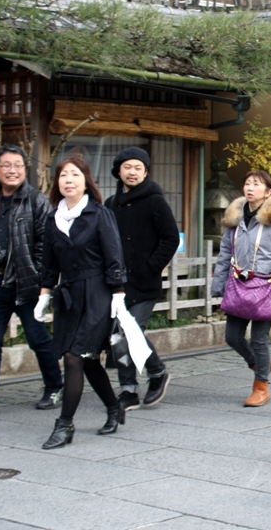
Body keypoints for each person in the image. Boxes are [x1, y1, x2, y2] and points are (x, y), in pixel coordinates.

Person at [0, 144, 63, 418]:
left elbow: (45, 244)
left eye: (17, 165)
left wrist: (41, 282)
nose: (12, 170)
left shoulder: (36, 200)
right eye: (6, 165)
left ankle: (55, 387)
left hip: (26, 285)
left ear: (24, 168)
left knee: (38, 339)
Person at [35, 157, 128, 449]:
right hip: (69, 296)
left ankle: (64, 426)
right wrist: (44, 295)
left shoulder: (99, 214)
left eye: (74, 174)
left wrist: (118, 294)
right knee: (86, 361)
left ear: (86, 181)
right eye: (63, 175)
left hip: (98, 293)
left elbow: (114, 255)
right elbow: (49, 264)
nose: (68, 180)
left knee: (74, 357)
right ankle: (114, 407)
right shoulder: (52, 219)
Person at [105, 147, 178, 411]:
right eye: (127, 167)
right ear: (118, 171)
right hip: (117, 284)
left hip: (144, 283)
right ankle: (128, 390)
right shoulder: (110, 204)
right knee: (117, 337)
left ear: (145, 172)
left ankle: (157, 372)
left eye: (138, 167)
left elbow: (170, 238)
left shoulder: (154, 201)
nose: (132, 172)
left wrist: (151, 267)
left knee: (129, 330)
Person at [212, 170, 271, 407]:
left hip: (266, 286)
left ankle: (261, 387)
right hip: (238, 284)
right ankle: (259, 364)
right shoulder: (234, 217)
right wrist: (218, 285)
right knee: (232, 337)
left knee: (258, 339)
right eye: (247, 183)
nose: (250, 187)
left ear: (267, 192)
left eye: (257, 184)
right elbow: (226, 252)